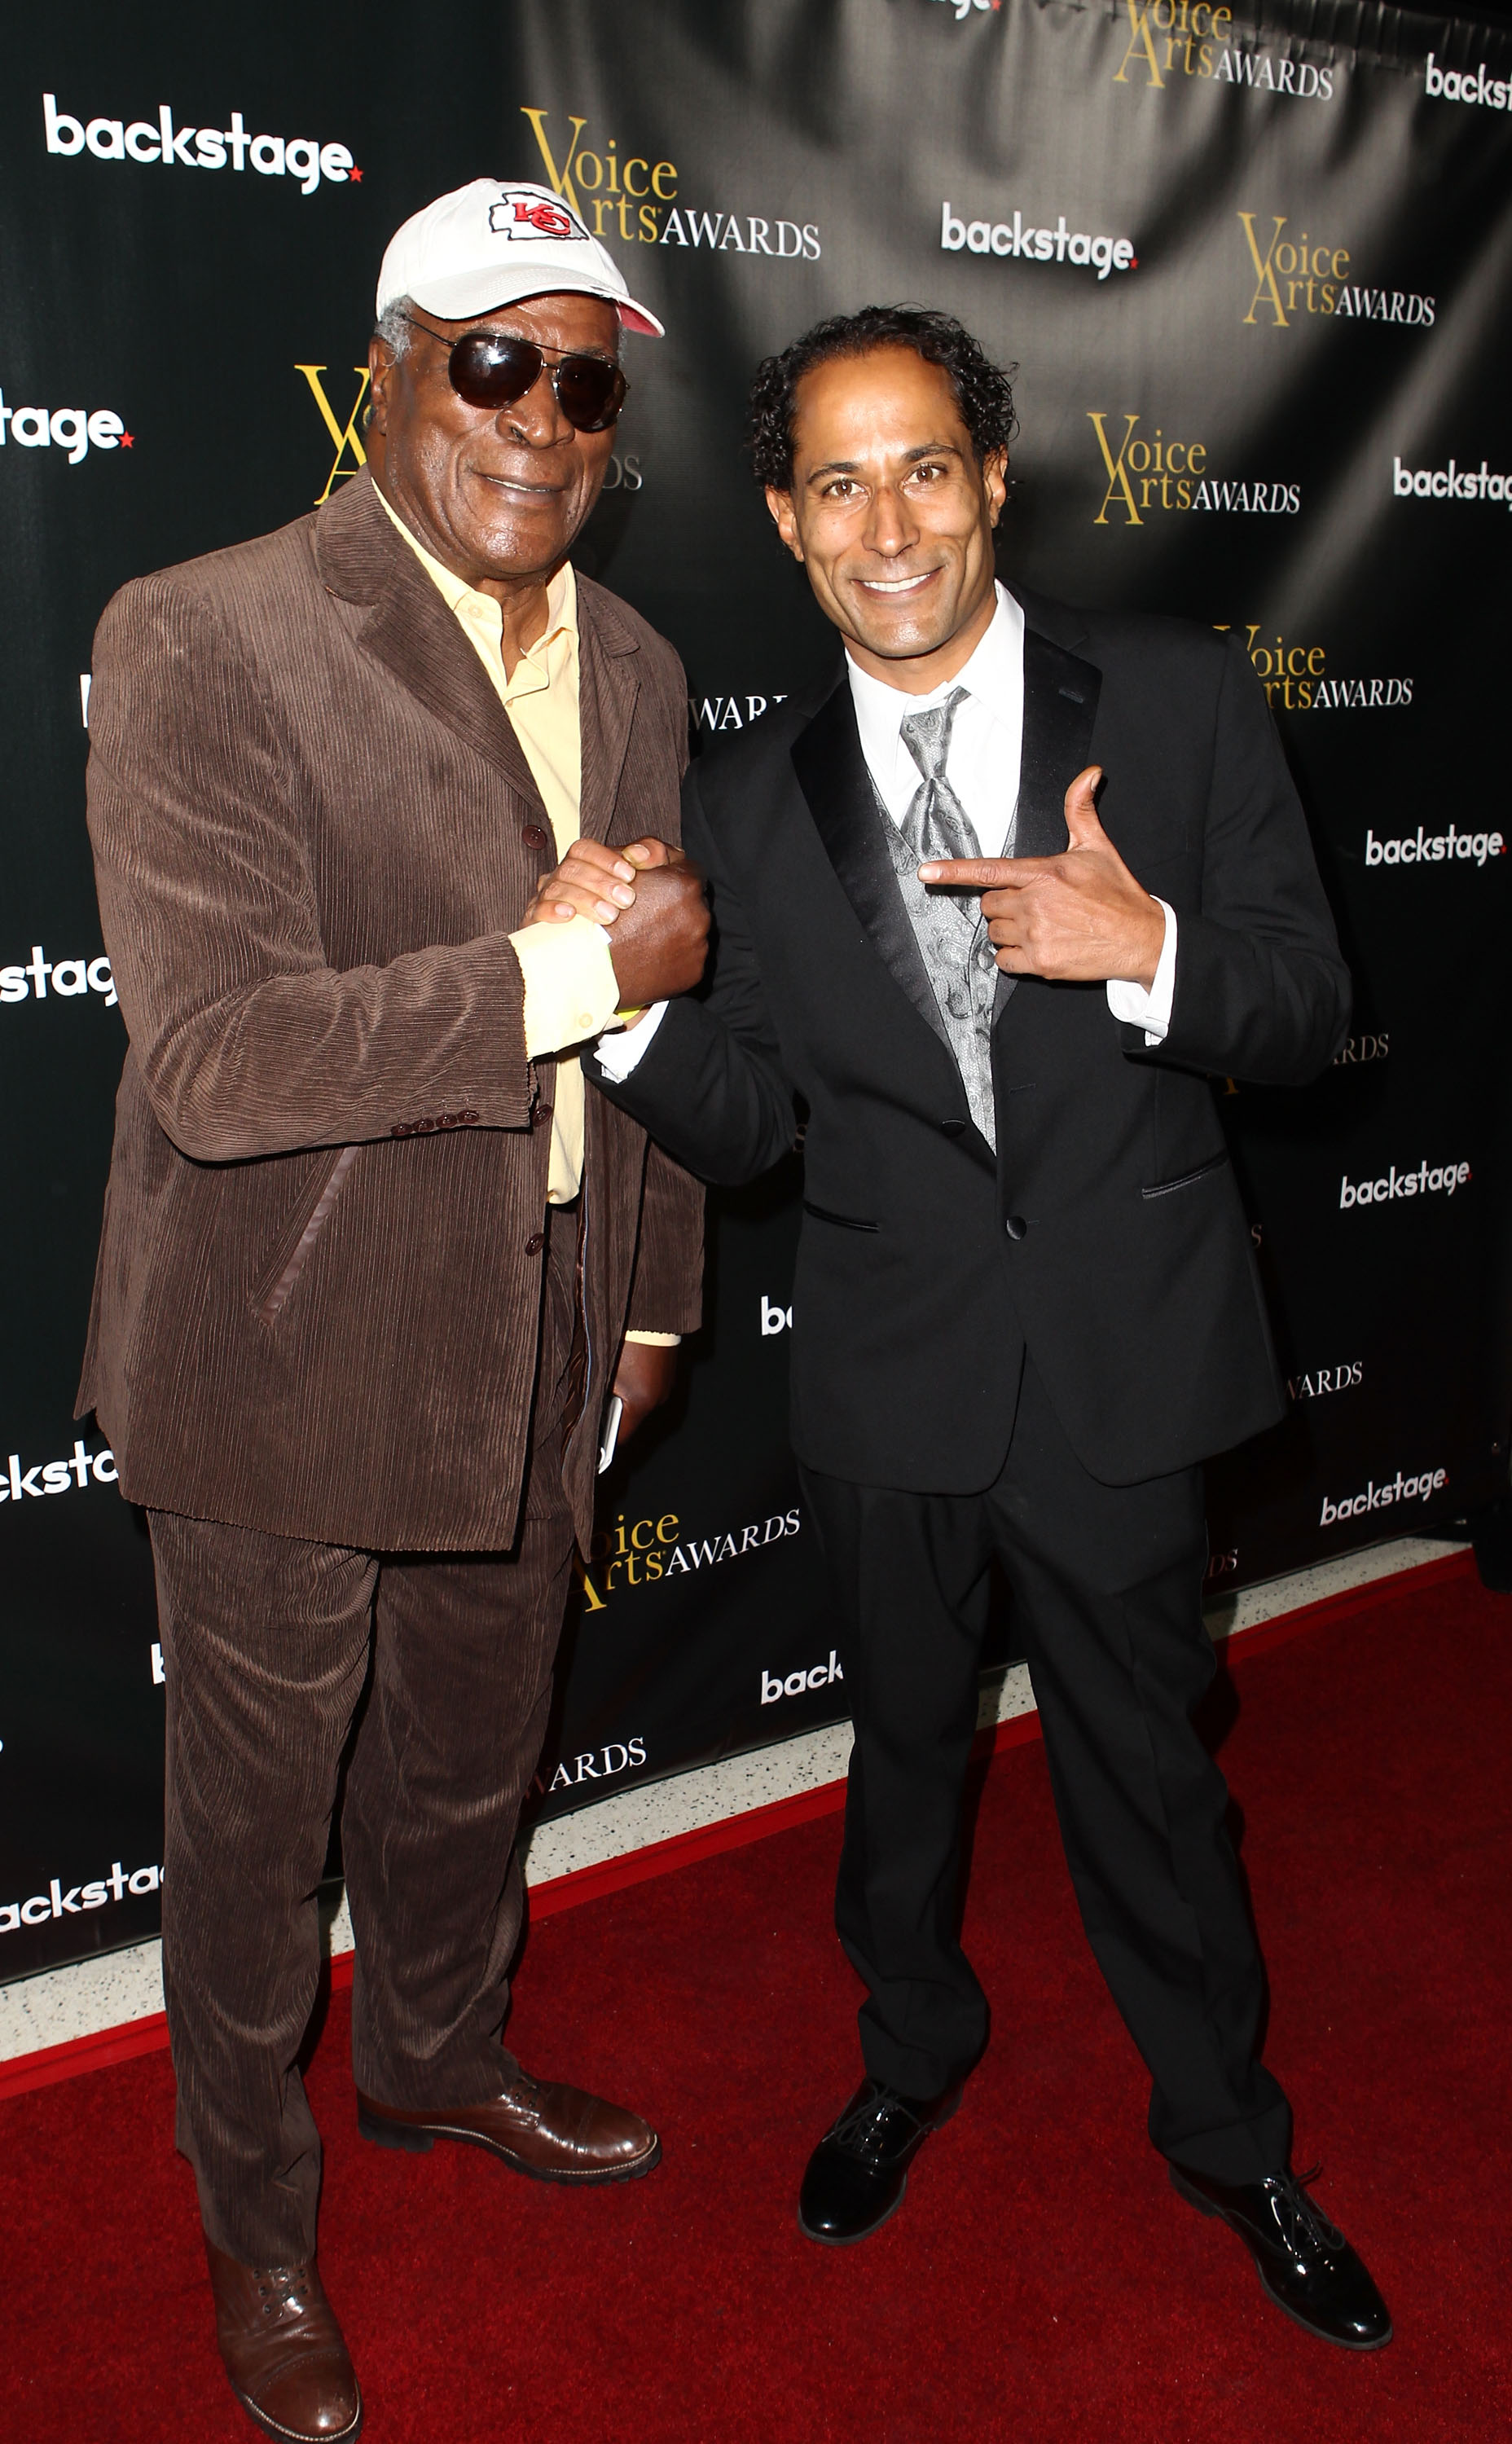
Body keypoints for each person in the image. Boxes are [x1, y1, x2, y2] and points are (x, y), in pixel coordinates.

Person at [548, 306, 1391, 2349]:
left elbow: (1305, 1005)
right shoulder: (743, 796)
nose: (889, 520)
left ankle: (1232, 2141)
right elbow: (754, 1121)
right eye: (838, 482)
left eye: (924, 464)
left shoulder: (1178, 703)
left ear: (993, 475)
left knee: (1148, 1775)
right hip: (887, 1369)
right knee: (905, 1752)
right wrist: (631, 1001)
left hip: (1117, 1352)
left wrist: (1150, 948)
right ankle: (908, 2054)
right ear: (784, 518)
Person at [77, 179, 710, 2442]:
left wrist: (644, 1301)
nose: (546, 420)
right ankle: (257, 2224)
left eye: (591, 382)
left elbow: (640, 1053)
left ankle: (439, 2063)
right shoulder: (204, 629)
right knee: (256, 1836)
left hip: (540, 1332)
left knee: (468, 1769)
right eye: (498, 362)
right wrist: (559, 966)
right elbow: (223, 1061)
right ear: (388, 373)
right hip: (282, 1351)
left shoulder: (630, 663)